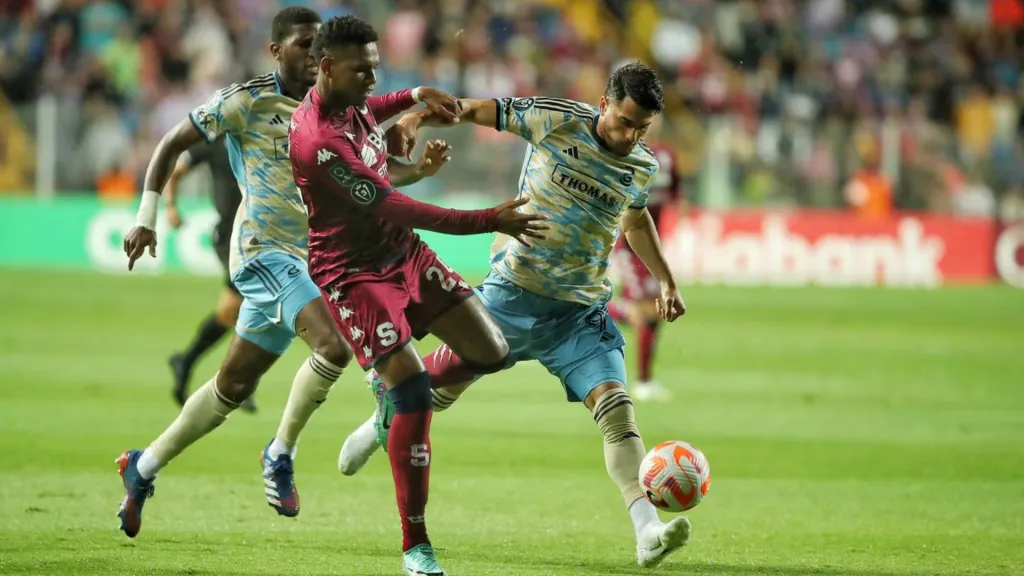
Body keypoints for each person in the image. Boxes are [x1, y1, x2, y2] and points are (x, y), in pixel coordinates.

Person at [339, 62, 691, 568]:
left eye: (642, 128)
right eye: (625, 122)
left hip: (578, 311)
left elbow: (635, 219)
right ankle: (379, 427)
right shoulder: (554, 118)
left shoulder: (641, 165)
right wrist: (416, 117)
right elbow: (473, 110)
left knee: (617, 413)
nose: (630, 135)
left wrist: (665, 278)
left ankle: (647, 531)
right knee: (430, 391)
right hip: (512, 297)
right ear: (605, 105)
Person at [288, 15, 548, 576]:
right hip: (353, 276)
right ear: (328, 68)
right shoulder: (318, 142)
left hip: (400, 252)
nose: (371, 81)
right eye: (364, 72)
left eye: (376, 69)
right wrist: (487, 220)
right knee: (413, 395)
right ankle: (416, 546)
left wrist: (411, 99)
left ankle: (392, 398)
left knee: (492, 351)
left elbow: (372, 114)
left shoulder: (347, 97)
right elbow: (391, 203)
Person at [116, 7, 359, 539]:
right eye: (302, 44)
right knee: (335, 347)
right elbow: (171, 144)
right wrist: (147, 217)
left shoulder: (334, 110)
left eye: (320, 45)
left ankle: (143, 466)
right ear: (277, 50)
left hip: (307, 259)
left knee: (232, 385)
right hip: (262, 253)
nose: (314, 53)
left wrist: (417, 170)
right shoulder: (245, 100)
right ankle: (280, 453)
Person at [162, 138, 255, 412]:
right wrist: (170, 206)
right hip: (229, 237)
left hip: (258, 236)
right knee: (251, 303)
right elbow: (175, 171)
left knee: (230, 312)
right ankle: (239, 377)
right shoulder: (215, 140)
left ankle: (188, 361)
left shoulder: (262, 132)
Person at [607, 115, 681, 402]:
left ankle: (645, 380)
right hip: (627, 245)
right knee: (648, 312)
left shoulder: (666, 156)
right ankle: (643, 382)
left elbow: (676, 193)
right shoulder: (625, 153)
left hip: (651, 247)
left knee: (654, 312)